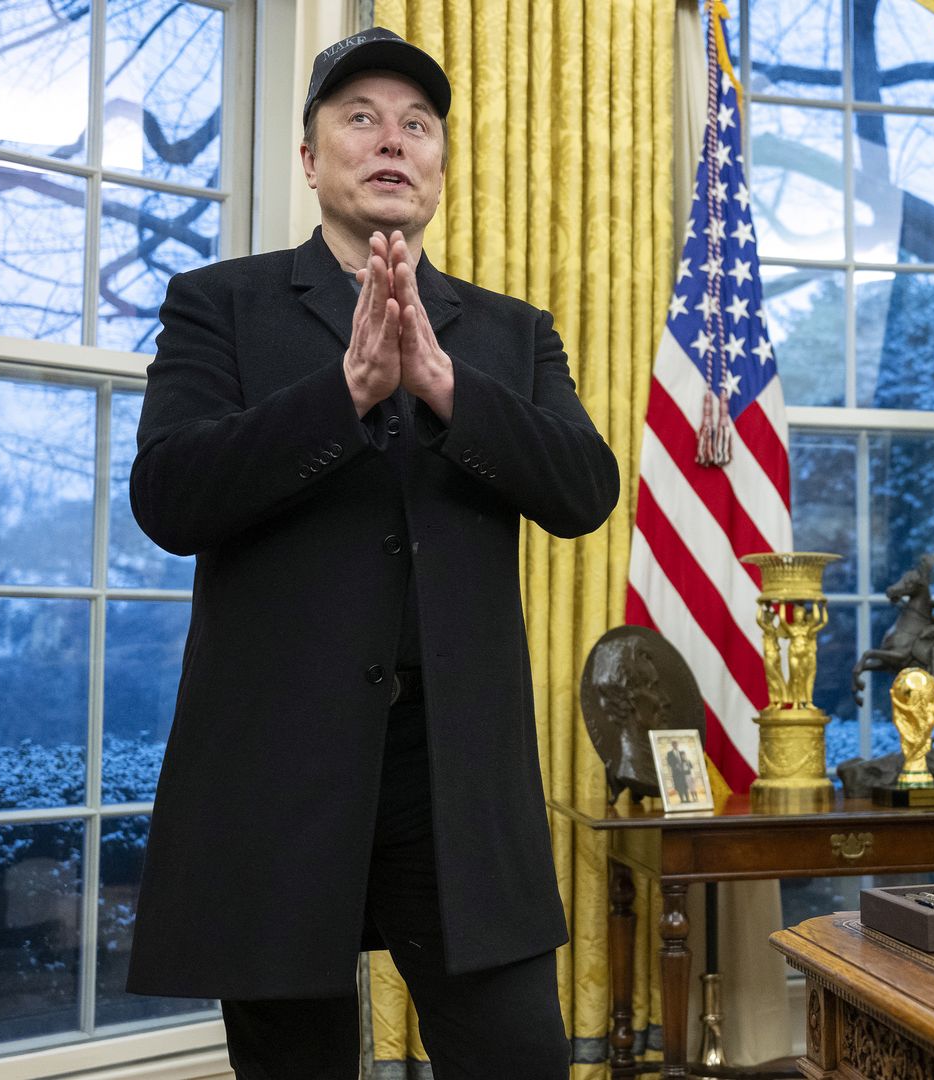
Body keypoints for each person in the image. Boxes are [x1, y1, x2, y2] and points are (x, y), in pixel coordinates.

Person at [123, 28, 619, 1079]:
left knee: (518, 1056)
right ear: (310, 159)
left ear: (439, 163)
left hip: (455, 773)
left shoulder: (510, 334)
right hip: (276, 772)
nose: (392, 140)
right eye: (359, 117)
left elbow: (584, 491)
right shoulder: (219, 305)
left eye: (418, 123)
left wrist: (447, 390)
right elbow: (169, 496)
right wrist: (344, 392)